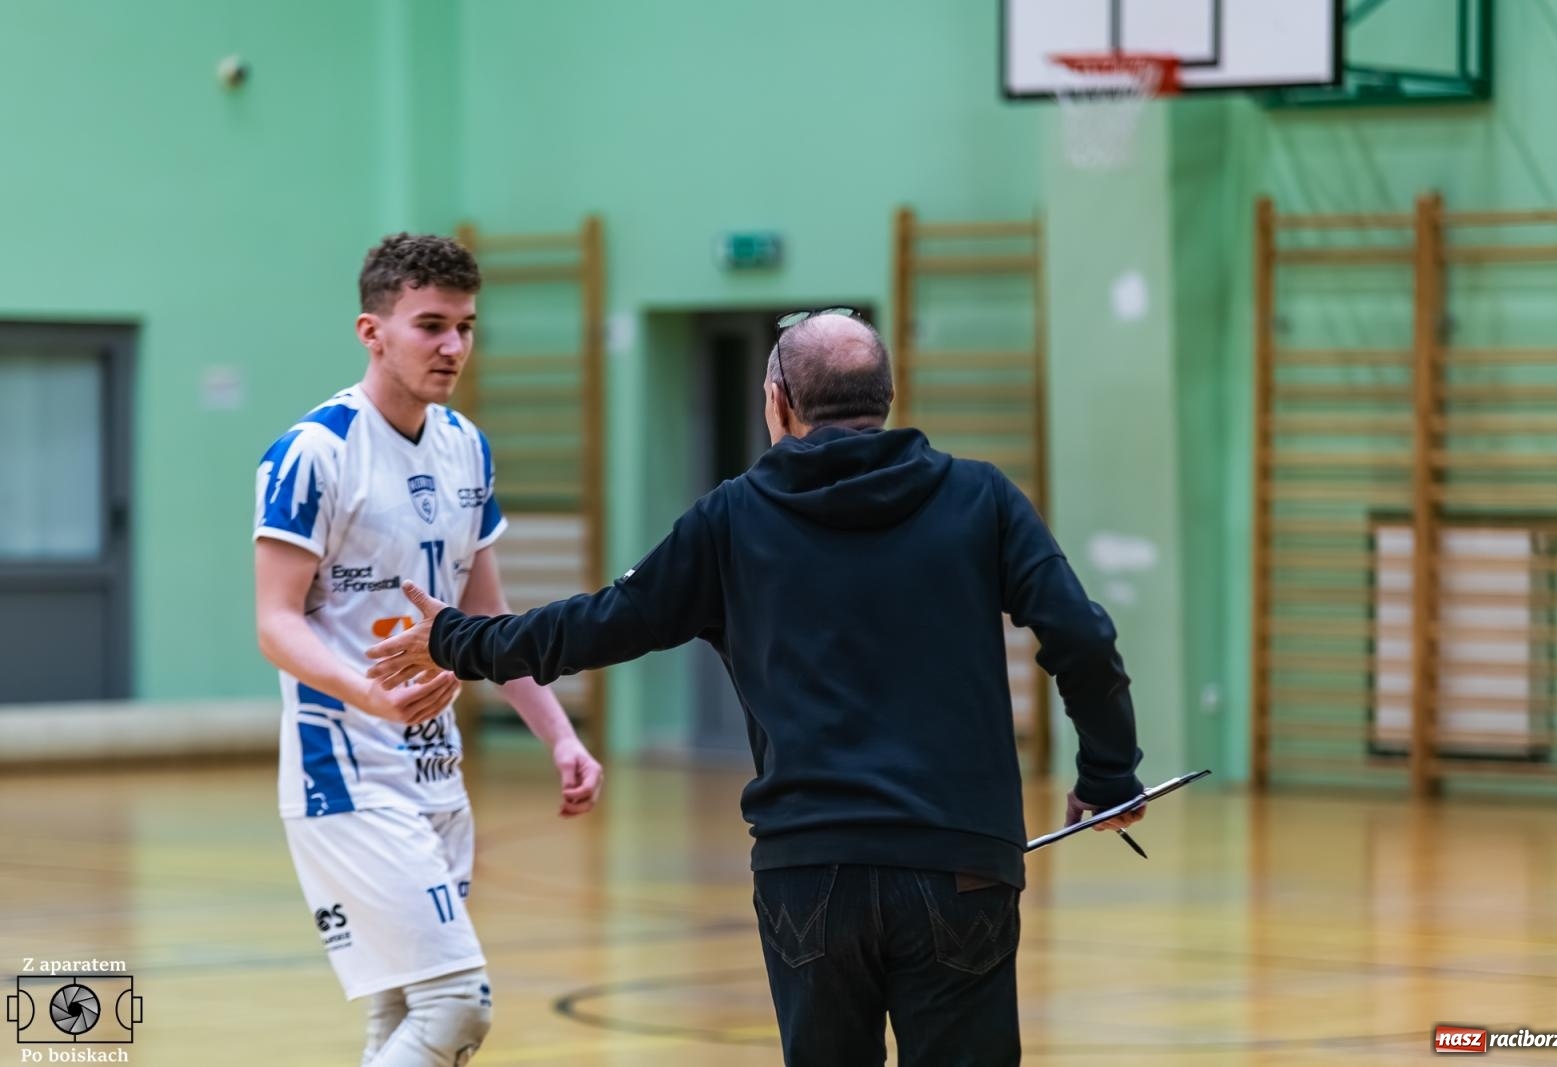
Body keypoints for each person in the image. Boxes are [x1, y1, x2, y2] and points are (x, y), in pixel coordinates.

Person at [364, 308, 1143, 1067]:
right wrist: (1108, 773)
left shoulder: (733, 517)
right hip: (963, 867)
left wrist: (455, 638)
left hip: (809, 875)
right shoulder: (983, 498)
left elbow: (597, 624)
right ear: (886, 400)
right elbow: (1083, 636)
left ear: (779, 403)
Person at [253, 233, 603, 1067]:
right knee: (458, 1005)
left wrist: (558, 733)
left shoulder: (466, 447)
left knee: (399, 1016)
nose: (453, 346)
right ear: (372, 331)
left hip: (437, 773)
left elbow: (488, 619)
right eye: (431, 325)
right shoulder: (316, 452)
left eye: (466, 327)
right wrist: (368, 693)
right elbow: (275, 621)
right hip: (346, 773)